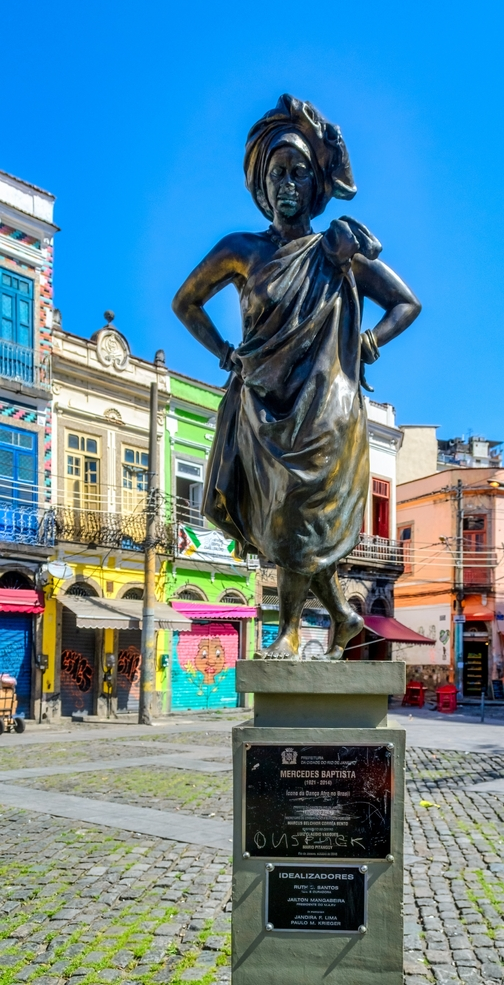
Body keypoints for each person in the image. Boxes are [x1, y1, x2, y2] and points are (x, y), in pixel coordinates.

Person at [172, 95, 421, 660]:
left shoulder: (336, 249)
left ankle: (287, 632)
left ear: (314, 184)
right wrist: (224, 353)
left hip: (325, 408)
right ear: (263, 181)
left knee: (292, 513)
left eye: (299, 172)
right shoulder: (241, 250)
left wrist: (368, 342)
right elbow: (186, 302)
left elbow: (406, 304)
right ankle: (341, 615)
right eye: (277, 172)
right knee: (291, 523)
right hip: (262, 403)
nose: (287, 183)